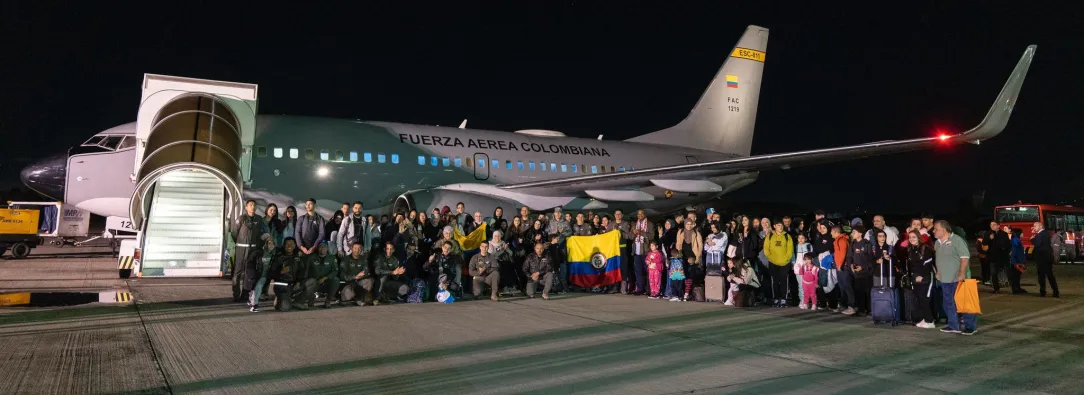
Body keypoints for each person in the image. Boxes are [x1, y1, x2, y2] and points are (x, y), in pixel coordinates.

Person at [933, 220, 977, 335]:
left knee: (964, 303)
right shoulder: (937, 243)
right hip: (945, 279)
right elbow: (939, 259)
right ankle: (953, 326)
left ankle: (970, 326)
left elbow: (965, 257)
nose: (934, 231)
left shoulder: (957, 240)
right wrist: (938, 272)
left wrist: (962, 273)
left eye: (936, 229)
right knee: (948, 303)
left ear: (944, 230)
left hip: (959, 279)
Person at [231, 200, 267, 302]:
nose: (253, 207)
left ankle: (245, 294)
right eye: (250, 205)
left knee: (249, 273)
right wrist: (240, 244)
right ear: (246, 207)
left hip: (253, 250)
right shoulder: (241, 218)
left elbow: (261, 233)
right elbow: (234, 234)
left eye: (254, 205)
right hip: (241, 249)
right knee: (237, 273)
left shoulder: (259, 219)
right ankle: (236, 294)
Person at [904, 230, 936, 328]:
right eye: (910, 237)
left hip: (926, 278)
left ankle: (930, 321)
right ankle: (924, 319)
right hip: (915, 279)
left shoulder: (925, 248)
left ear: (918, 237)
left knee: (924, 299)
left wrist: (921, 276)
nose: (911, 239)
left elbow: (928, 263)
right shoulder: (910, 249)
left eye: (914, 237)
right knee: (918, 299)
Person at [763, 220, 795, 307]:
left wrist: (787, 259)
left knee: (784, 281)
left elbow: (790, 249)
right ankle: (776, 298)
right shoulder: (769, 236)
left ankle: (784, 299)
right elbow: (766, 248)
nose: (780, 227)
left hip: (784, 263)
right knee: (775, 281)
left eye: (781, 225)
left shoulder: (787, 236)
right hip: (773, 262)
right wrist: (770, 257)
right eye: (778, 225)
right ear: (774, 226)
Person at [268, 237, 304, 311]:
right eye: (287, 244)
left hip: (294, 285)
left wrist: (299, 281)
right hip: (282, 286)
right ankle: (279, 298)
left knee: (311, 283)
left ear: (295, 245)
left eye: (291, 244)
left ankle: (297, 301)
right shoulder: (278, 257)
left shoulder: (298, 256)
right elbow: (270, 273)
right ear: (284, 246)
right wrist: (280, 271)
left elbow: (303, 271)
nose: (289, 246)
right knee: (285, 308)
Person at [845, 226, 874, 317]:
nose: (852, 234)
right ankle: (861, 310)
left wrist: (863, 267)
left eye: (854, 232)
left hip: (866, 273)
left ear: (860, 233)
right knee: (858, 291)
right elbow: (849, 257)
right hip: (856, 273)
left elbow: (871, 260)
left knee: (867, 292)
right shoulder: (852, 244)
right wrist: (851, 266)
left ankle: (870, 310)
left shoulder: (867, 244)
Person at [302, 241, 340, 308]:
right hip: (314, 282)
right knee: (307, 283)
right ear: (317, 248)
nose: (322, 248)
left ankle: (328, 300)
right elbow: (306, 270)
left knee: (336, 280)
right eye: (320, 246)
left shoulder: (332, 258)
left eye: (324, 247)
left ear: (327, 248)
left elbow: (335, 271)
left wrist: (325, 278)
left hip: (326, 282)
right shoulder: (311, 257)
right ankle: (311, 298)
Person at [1030, 222, 1060, 298]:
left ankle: (1047, 291)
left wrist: (1032, 239)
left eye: (1035, 226)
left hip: (1044, 259)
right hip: (1044, 258)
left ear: (1041, 226)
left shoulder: (1042, 234)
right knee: (1047, 276)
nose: (1034, 227)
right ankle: (1050, 291)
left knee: (1045, 276)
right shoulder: (1043, 234)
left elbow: (1038, 244)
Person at [630, 209, 655, 295]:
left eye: (641, 214)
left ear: (644, 214)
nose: (640, 215)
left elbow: (652, 236)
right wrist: (633, 233)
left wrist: (641, 232)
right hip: (636, 252)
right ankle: (640, 289)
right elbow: (630, 237)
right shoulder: (634, 225)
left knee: (648, 271)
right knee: (638, 271)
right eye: (638, 214)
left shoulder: (650, 224)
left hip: (645, 251)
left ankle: (649, 289)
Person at [339, 242, 370, 306]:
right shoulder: (345, 259)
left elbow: (366, 270)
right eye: (355, 248)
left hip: (360, 281)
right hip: (349, 283)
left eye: (359, 249)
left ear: (361, 250)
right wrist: (354, 277)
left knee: (369, 281)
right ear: (351, 249)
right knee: (348, 295)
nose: (357, 250)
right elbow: (342, 275)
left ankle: (358, 299)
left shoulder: (363, 259)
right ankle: (359, 299)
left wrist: (363, 273)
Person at [793, 234, 812, 309]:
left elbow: (811, 256)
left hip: (808, 269)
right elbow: (793, 257)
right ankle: (802, 301)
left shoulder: (809, 246)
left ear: (805, 239)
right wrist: (794, 265)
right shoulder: (796, 246)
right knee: (800, 285)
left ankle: (807, 301)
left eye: (802, 238)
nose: (800, 239)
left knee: (808, 285)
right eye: (799, 238)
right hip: (798, 269)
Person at [1008, 227, 1028, 294]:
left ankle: (1017, 288)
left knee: (1017, 275)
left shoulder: (1016, 239)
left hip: (1016, 260)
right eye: (1022, 232)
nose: (1023, 234)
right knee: (1015, 276)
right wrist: (1019, 261)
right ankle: (1015, 289)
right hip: (1016, 261)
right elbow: (1016, 251)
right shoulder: (1016, 240)